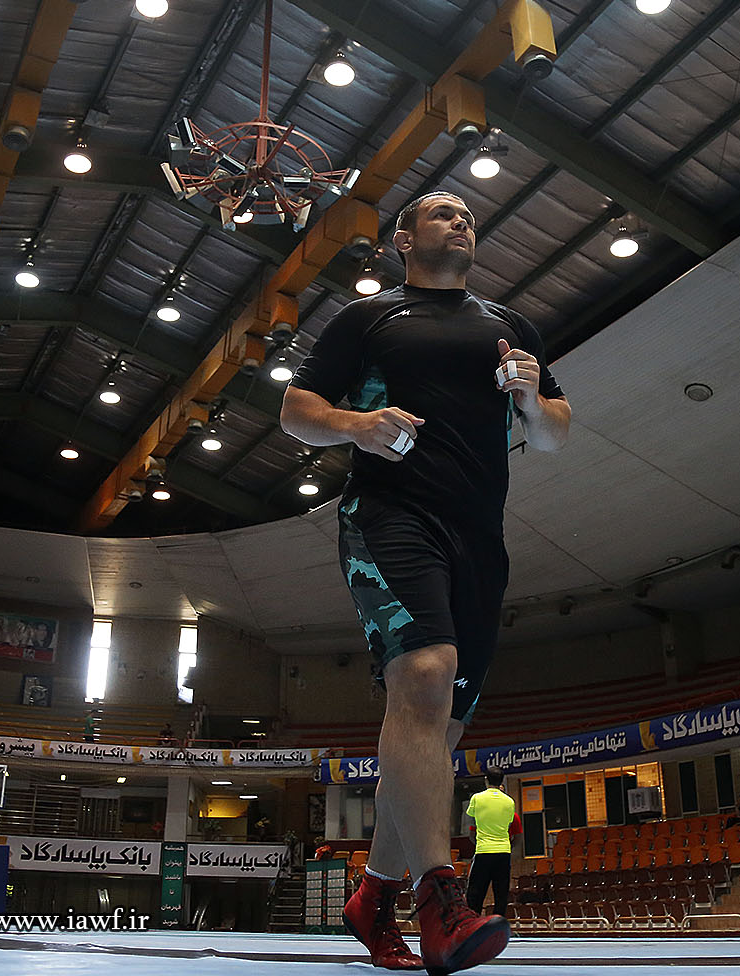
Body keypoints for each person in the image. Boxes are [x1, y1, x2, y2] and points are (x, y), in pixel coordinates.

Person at [282, 191, 569, 973]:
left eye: (468, 214)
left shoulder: (511, 327)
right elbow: (295, 410)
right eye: (441, 212)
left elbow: (553, 434)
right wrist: (355, 425)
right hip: (389, 515)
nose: (461, 220)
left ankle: (373, 895)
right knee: (424, 674)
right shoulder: (369, 318)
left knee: (436, 736)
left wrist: (530, 397)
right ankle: (441, 899)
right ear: (403, 239)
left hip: (479, 539)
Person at [464, 770, 520, 917]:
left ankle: (474, 922)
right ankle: (499, 923)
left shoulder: (477, 798)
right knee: (501, 894)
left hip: (483, 851)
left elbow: (472, 823)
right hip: (503, 852)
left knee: (475, 894)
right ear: (501, 781)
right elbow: (509, 823)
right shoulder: (509, 801)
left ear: (486, 779)